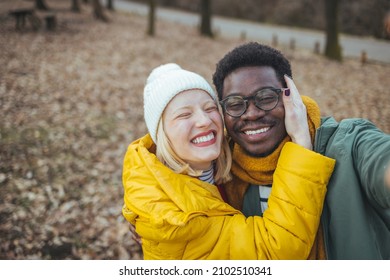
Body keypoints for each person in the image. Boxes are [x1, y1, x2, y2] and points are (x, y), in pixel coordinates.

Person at [122, 63, 335, 260]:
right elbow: (275, 251)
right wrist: (300, 140)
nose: (204, 121)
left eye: (209, 108)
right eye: (184, 115)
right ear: (161, 135)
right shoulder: (178, 217)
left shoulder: (211, 168)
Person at [212, 42, 390, 260]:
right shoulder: (221, 172)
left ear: (290, 96)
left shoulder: (348, 145)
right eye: (235, 104)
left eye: (266, 97)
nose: (251, 114)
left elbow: (380, 161)